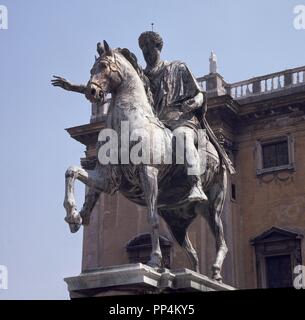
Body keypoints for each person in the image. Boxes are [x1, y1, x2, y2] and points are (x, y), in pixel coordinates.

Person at [138, 31, 235, 203]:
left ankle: (195, 184)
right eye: (143, 47)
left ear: (158, 47)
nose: (146, 51)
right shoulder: (142, 78)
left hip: (180, 119)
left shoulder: (178, 68)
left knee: (182, 136)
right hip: (155, 123)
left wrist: (194, 103)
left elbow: (199, 94)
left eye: (149, 45)